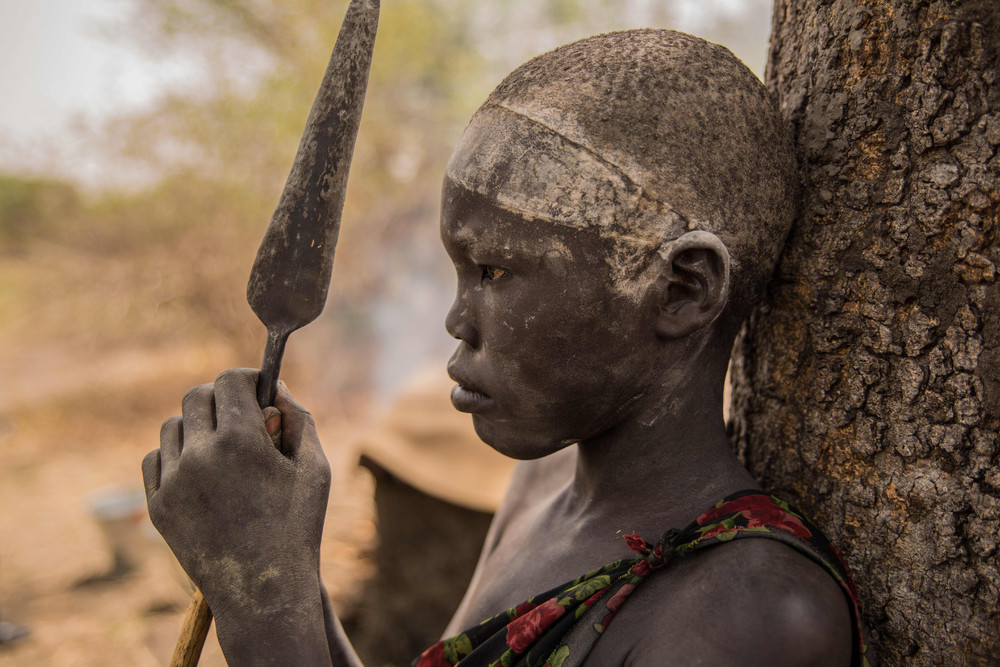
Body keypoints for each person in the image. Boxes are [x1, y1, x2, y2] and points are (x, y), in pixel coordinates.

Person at [143, 29, 870, 666]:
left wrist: (265, 603)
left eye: (493, 271)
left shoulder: (753, 615)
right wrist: (279, 566)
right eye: (458, 272)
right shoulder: (542, 488)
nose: (459, 319)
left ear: (682, 289)